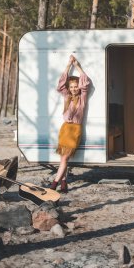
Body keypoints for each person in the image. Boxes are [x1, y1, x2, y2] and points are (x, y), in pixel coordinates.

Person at [50, 55, 90, 193]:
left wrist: (77, 65)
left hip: (74, 131)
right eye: (71, 86)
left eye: (75, 86)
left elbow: (85, 81)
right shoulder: (67, 97)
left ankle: (53, 185)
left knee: (64, 159)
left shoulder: (82, 98)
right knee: (63, 159)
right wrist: (68, 65)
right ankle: (64, 183)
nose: (73, 89)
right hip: (65, 129)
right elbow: (61, 84)